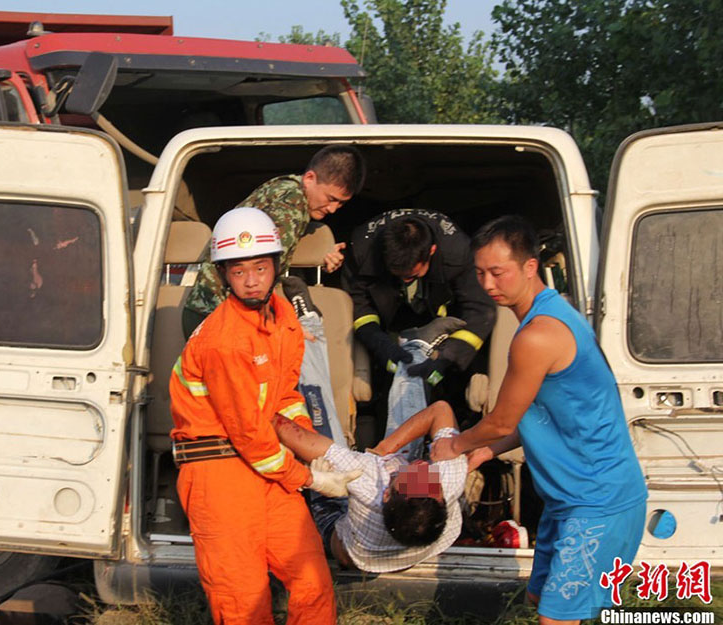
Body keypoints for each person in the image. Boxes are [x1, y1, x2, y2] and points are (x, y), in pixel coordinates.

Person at [431, 215, 647, 625]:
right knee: (539, 600)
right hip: (567, 500)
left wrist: (455, 444)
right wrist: (486, 452)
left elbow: (499, 420)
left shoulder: (537, 335)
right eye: (480, 273)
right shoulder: (551, 313)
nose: (488, 284)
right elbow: (542, 418)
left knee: (555, 618)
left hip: (597, 500)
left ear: (530, 266)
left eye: (498, 272)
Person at [170, 207, 361, 625]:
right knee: (244, 602)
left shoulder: (284, 317)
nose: (252, 279)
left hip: (268, 469)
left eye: (260, 267)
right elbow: (248, 432)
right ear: (223, 276)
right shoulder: (223, 340)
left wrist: (309, 446)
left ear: (276, 265)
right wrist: (309, 478)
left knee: (312, 580)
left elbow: (285, 395)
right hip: (218, 474)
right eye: (239, 271)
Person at [182, 145, 366, 338]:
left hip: (206, 311)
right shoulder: (292, 202)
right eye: (330, 199)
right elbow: (261, 271)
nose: (333, 209)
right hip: (222, 317)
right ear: (310, 178)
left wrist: (323, 252)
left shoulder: (284, 188)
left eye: (341, 203)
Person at [272, 400, 468, 574]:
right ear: (442, 500)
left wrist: (254, 414)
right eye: (430, 478)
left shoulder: (367, 481)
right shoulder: (449, 481)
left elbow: (294, 436)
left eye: (414, 476)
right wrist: (383, 449)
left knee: (318, 440)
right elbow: (441, 410)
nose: (424, 465)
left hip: (350, 549)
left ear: (386, 495)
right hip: (404, 551)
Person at [343, 209, 496, 391]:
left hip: (440, 314)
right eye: (399, 275)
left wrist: (447, 358)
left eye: (412, 275)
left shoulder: (458, 251)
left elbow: (480, 311)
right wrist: (379, 343)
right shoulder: (362, 249)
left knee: (446, 385)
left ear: (431, 251)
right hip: (390, 316)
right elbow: (357, 304)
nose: (405, 279)